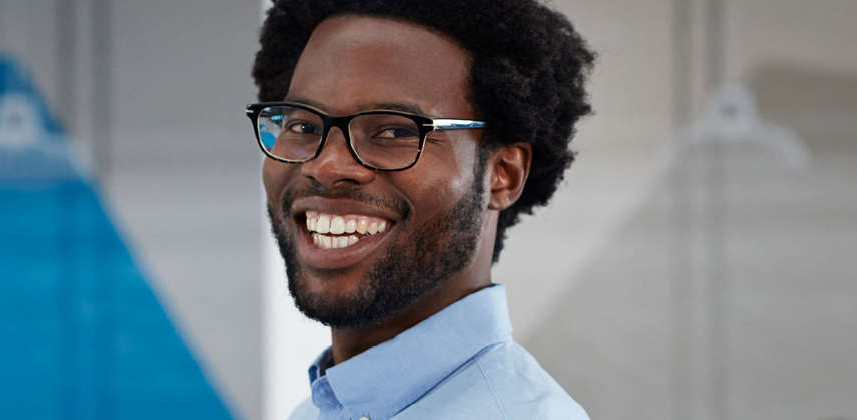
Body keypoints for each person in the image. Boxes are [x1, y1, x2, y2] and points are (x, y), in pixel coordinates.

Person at [245, 0, 595, 418]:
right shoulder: (320, 408)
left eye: (393, 130)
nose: (327, 166)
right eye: (302, 126)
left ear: (503, 174)